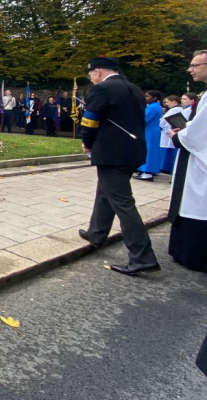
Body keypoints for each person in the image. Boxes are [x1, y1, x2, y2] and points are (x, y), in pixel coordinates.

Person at [78, 56, 160, 276]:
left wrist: (87, 141)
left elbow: (90, 119)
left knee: (123, 203)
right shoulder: (134, 89)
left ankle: (142, 256)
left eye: (91, 74)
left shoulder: (102, 90)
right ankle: (97, 233)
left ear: (99, 71)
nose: (91, 78)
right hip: (133, 151)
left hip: (112, 153)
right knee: (106, 192)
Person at [167, 50, 207, 272]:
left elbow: (198, 133)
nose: (190, 69)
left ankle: (193, 255)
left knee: (197, 202)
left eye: (195, 65)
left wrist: (178, 135)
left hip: (201, 162)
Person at [134, 90, 163, 182]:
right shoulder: (154, 106)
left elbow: (144, 119)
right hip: (151, 130)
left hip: (150, 131)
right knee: (149, 150)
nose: (145, 98)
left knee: (149, 151)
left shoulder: (153, 107)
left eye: (148, 96)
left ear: (155, 98)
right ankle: (145, 170)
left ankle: (147, 172)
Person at [159, 95, 183, 174]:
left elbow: (165, 121)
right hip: (171, 132)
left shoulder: (175, 110)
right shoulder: (178, 109)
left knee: (170, 152)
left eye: (168, 101)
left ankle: (166, 168)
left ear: (174, 101)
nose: (166, 103)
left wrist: (166, 129)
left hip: (170, 132)